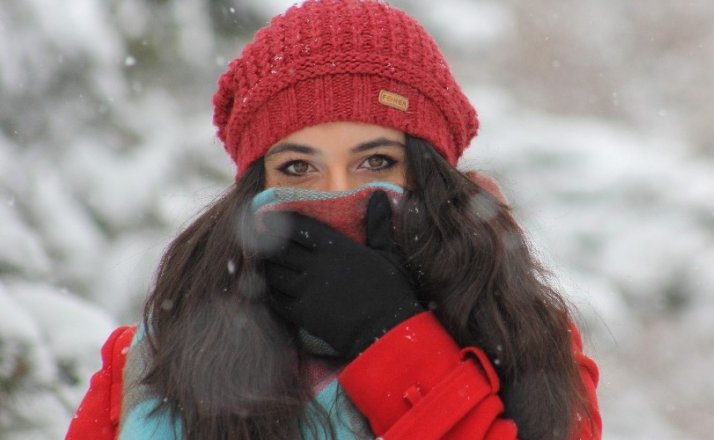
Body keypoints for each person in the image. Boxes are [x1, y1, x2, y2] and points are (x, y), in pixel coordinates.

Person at [65, 0, 601, 439]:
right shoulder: (150, 364)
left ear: (431, 177)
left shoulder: (527, 344)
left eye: (377, 162)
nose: (340, 193)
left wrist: (390, 337)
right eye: (299, 167)